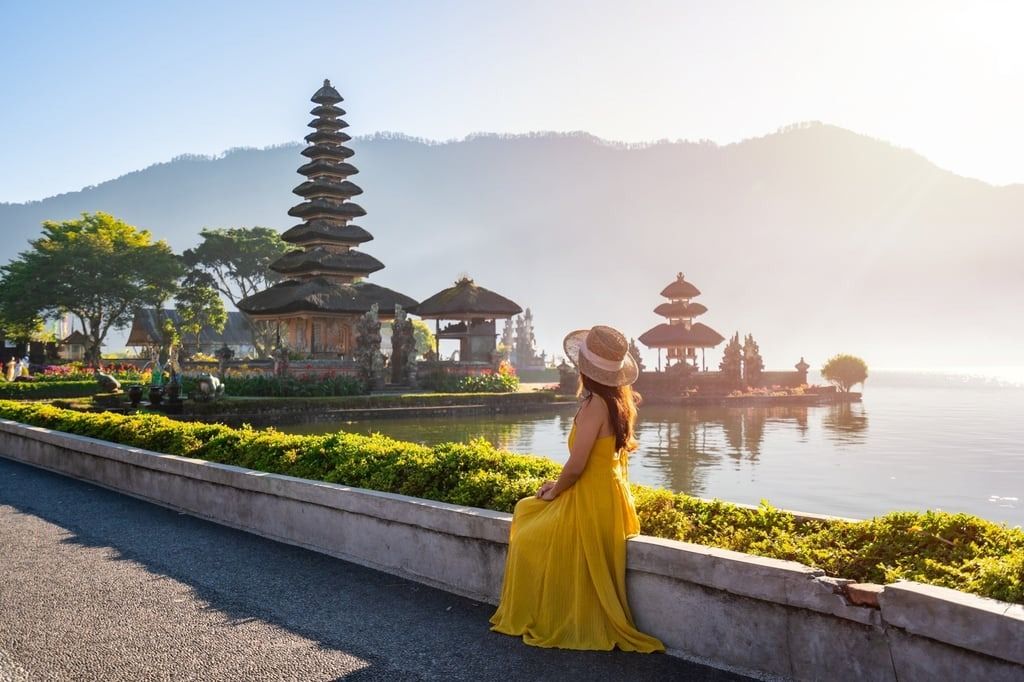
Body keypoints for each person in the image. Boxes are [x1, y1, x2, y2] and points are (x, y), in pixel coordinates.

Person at [490, 325, 664, 652]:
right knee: (529, 512)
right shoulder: (619, 402)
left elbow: (577, 464)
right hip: (610, 496)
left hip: (590, 497)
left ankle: (552, 612)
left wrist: (555, 490)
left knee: (526, 521)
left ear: (585, 368)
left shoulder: (595, 405)